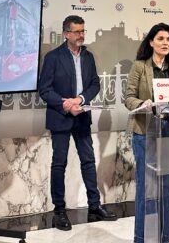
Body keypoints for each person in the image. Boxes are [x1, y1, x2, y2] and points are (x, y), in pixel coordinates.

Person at [38, 15, 117, 231]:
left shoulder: (88, 56)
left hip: (82, 116)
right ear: (66, 34)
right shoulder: (53, 57)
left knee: (88, 161)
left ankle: (94, 206)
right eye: (77, 31)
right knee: (59, 164)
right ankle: (59, 211)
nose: (81, 35)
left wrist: (80, 100)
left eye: (83, 31)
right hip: (60, 117)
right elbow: (44, 89)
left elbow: (94, 84)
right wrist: (66, 104)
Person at [125, 23, 169, 243]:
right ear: (151, 42)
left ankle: (168, 238)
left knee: (168, 190)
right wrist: (143, 104)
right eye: (160, 38)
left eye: (168, 39)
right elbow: (128, 98)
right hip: (145, 131)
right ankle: (142, 239)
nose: (165, 43)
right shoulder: (139, 66)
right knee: (146, 190)